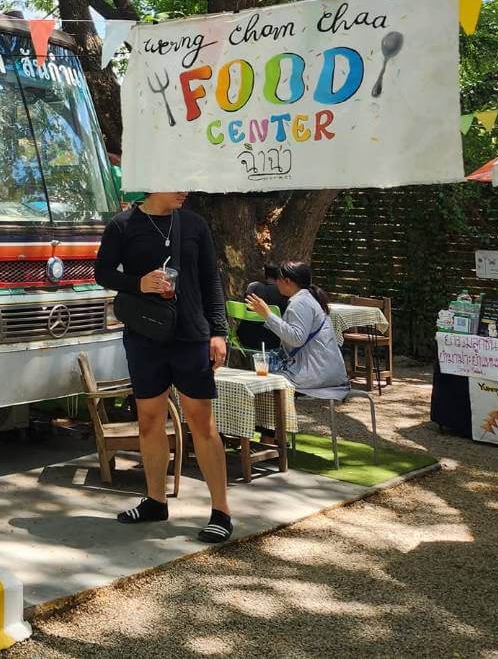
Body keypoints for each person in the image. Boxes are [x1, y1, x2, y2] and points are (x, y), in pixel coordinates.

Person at [95, 191, 234, 544]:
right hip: (145, 335)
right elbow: (102, 273)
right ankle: (155, 501)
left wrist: (218, 332)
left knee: (201, 421)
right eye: (178, 183)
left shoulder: (194, 225)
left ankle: (221, 511)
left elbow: (211, 280)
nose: (185, 190)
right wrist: (138, 283)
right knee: (149, 420)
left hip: (191, 335)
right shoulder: (122, 225)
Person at [246, 261, 348, 393]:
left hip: (315, 373)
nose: (276, 283)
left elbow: (296, 338)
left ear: (287, 281)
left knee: (259, 384)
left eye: (278, 279)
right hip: (325, 371)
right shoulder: (307, 298)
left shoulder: (300, 303)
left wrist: (267, 315)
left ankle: (277, 408)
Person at [235, 263, 288, 355]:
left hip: (246, 337)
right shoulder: (284, 292)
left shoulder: (252, 287)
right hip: (272, 341)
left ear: (264, 274)